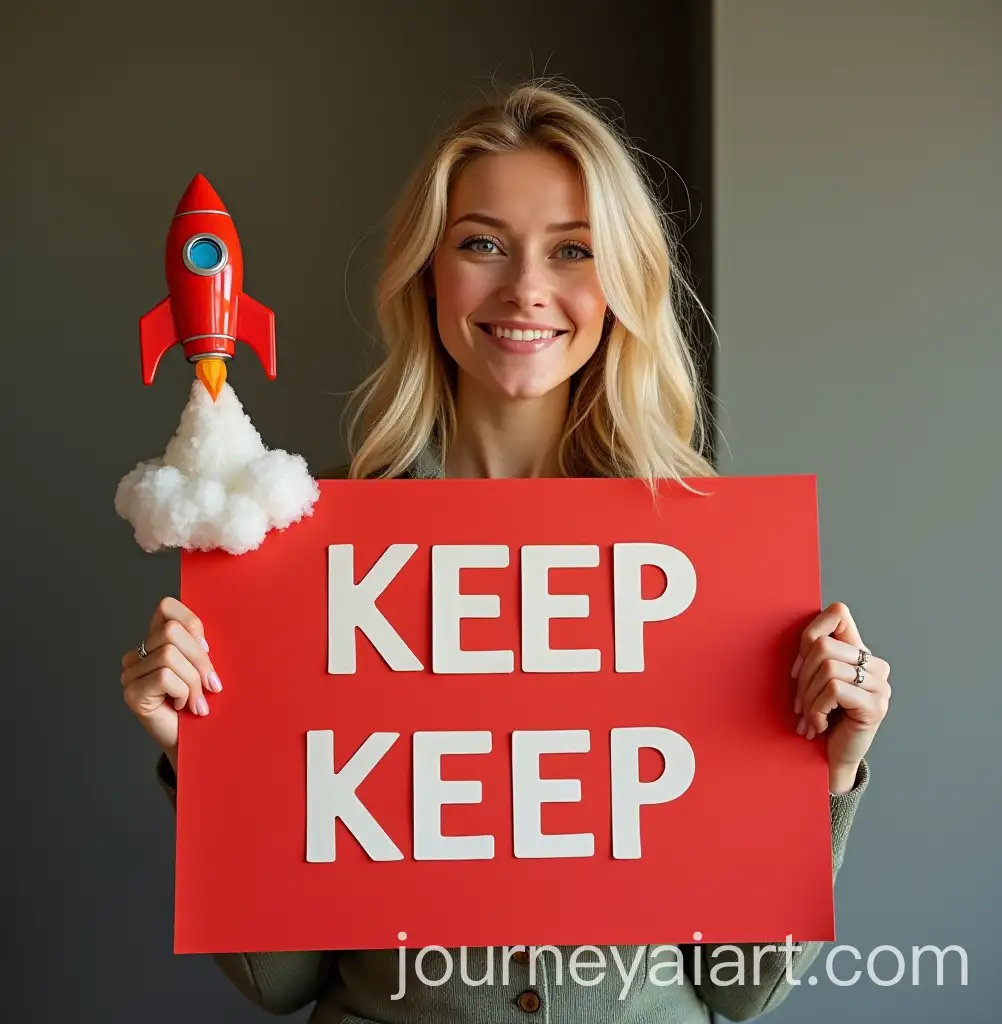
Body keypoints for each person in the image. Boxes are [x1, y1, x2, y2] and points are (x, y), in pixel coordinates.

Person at [119, 80, 891, 1023]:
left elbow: (743, 988)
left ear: (621, 285)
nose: (527, 288)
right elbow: (280, 981)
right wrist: (202, 755)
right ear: (428, 273)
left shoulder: (705, 565)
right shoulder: (300, 550)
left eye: (574, 251)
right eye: (482, 244)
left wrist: (833, 766)